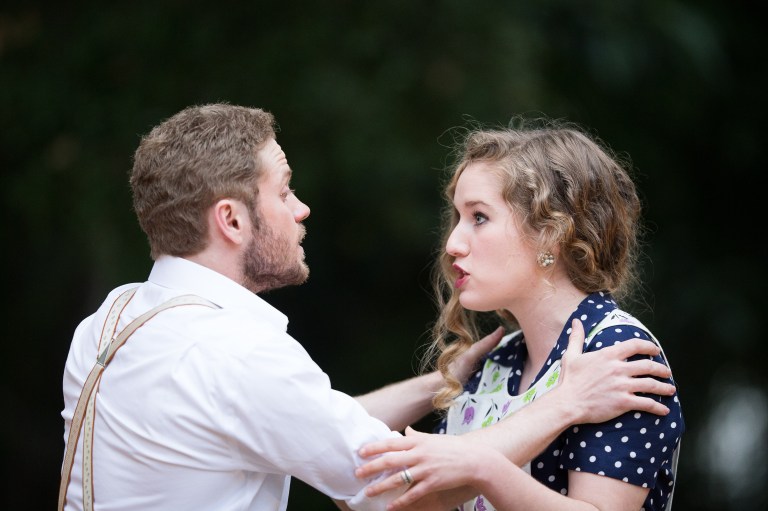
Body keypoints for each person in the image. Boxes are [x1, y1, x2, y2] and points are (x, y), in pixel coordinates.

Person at [59, 104, 678, 511]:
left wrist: (440, 383)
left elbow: (301, 420)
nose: (301, 209)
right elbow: (397, 484)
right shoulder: (237, 355)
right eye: (284, 191)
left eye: (478, 217)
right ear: (231, 219)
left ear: (552, 233)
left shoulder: (111, 322)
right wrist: (564, 405)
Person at [356, 120, 684, 510]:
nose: (452, 243)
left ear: (550, 233)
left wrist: (487, 469)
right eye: (458, 217)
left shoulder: (616, 352)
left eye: (479, 217)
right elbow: (407, 501)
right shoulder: (497, 361)